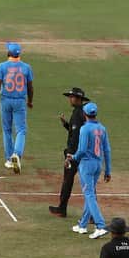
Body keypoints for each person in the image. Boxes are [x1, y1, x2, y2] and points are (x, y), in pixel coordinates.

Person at [67, 102, 112, 239]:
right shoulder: (102, 129)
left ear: (84, 114)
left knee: (89, 195)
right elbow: (107, 150)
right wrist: (108, 170)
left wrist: (72, 157)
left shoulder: (85, 129)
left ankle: (100, 225)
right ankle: (82, 225)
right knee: (90, 193)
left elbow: (81, 150)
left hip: (86, 165)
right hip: (98, 165)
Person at [0, 42, 34, 174]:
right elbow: (30, 87)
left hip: (5, 100)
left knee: (7, 130)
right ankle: (17, 154)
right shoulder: (26, 67)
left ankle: (9, 159)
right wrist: (30, 101)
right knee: (21, 130)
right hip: (20, 101)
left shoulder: (2, 66)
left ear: (8, 53)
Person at [49, 88, 90, 217]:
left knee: (68, 180)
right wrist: (66, 124)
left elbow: (76, 136)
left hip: (75, 153)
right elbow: (77, 132)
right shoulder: (82, 112)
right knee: (87, 184)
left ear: (78, 99)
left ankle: (62, 209)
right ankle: (91, 215)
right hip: (84, 153)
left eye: (72, 97)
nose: (70, 99)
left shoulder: (78, 114)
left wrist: (69, 154)